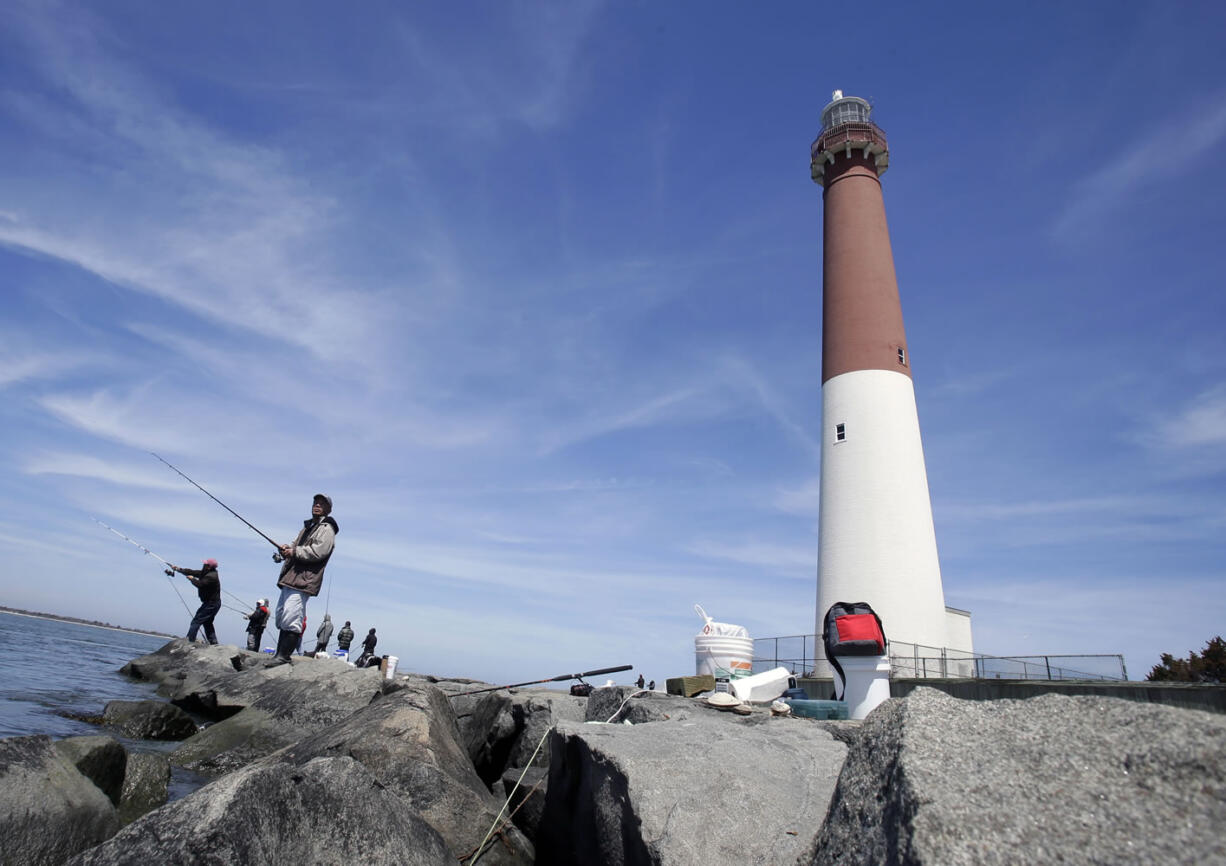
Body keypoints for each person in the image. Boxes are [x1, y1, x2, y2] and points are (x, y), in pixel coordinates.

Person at [266, 493, 339, 667]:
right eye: (315, 502)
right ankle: (279, 654)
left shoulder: (327, 529)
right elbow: (296, 547)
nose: (317, 505)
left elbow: (319, 552)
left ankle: (283, 657)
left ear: (328, 509)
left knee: (292, 616)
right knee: (282, 616)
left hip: (304, 579)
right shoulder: (308, 527)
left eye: (322, 504)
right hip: (291, 577)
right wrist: (287, 549)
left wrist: (295, 552)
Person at [169, 559, 221, 645]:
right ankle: (214, 643)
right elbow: (192, 572)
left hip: (211, 604)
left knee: (196, 621)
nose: (203, 565)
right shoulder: (206, 572)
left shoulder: (212, 576)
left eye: (205, 564)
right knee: (207, 623)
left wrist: (192, 579)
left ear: (209, 567)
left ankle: (189, 642)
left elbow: (200, 584)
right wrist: (178, 569)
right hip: (212, 603)